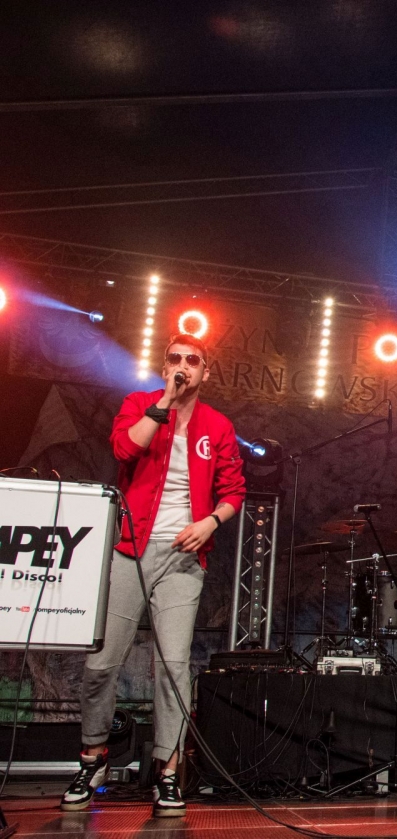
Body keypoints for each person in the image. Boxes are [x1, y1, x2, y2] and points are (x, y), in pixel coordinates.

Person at [62, 334, 245, 816]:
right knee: (102, 663)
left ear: (206, 372)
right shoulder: (140, 405)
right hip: (131, 550)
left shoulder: (218, 426)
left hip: (183, 560)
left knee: (173, 666)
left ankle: (168, 770)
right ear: (164, 367)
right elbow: (124, 449)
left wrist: (210, 522)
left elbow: (234, 491)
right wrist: (165, 401)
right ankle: (93, 758)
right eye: (175, 359)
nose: (184, 365)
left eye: (193, 360)